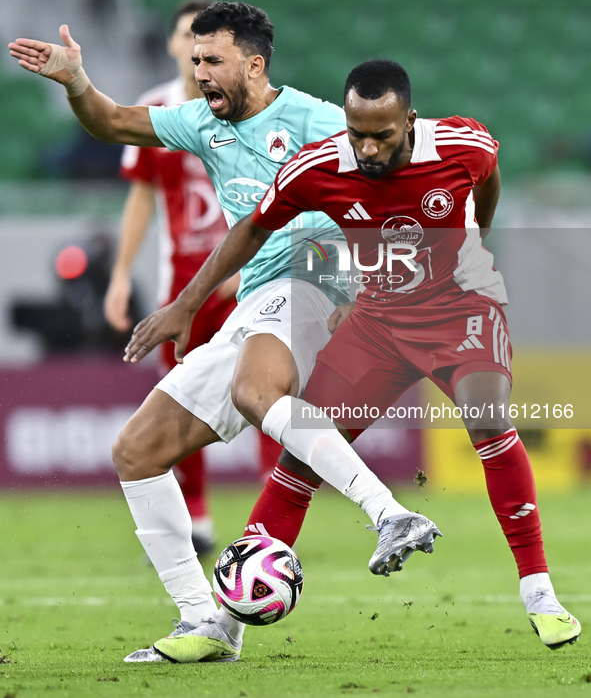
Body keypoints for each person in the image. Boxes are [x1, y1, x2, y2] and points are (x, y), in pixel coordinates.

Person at [8, 4, 439, 664]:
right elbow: (115, 122)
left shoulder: (317, 121)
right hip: (255, 298)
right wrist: (76, 83)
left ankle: (390, 514)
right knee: (138, 451)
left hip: (314, 279)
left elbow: (401, 168)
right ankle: (205, 624)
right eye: (194, 61)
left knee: (254, 390)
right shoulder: (201, 123)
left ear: (254, 64)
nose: (199, 72)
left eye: (212, 61)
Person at [128, 59, 580, 662]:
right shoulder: (318, 167)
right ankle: (222, 629)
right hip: (380, 324)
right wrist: (188, 301)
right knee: (301, 455)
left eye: (382, 135)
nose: (367, 147)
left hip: (458, 311)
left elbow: (489, 176)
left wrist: (478, 237)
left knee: (487, 418)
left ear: (409, 122)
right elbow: (252, 231)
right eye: (357, 132)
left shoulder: (462, 145)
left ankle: (540, 594)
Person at [104, 0, 280, 555]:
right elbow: (141, 200)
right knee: (181, 396)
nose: (194, 53)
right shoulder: (162, 114)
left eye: (204, 45)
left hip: (249, 277)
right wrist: (120, 275)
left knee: (266, 395)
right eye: (186, 40)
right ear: (176, 45)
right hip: (183, 281)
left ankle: (269, 516)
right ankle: (197, 514)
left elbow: (280, 202)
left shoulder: (260, 113)